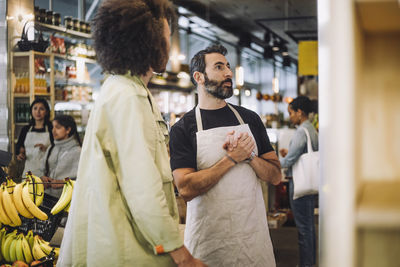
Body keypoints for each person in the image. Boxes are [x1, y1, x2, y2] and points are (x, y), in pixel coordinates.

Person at [57, 1, 205, 266]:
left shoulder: (127, 90)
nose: (170, 47)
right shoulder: (127, 96)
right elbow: (143, 189)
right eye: (166, 37)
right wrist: (183, 256)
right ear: (148, 40)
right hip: (129, 251)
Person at [169, 44, 282, 267]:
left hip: (252, 241)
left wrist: (250, 156)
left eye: (228, 67)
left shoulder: (249, 118)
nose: (228, 73)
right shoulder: (183, 128)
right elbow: (185, 189)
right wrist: (230, 159)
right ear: (199, 77)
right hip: (208, 245)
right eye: (219, 67)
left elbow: (276, 176)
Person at [279, 96, 318, 267]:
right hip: (311, 183)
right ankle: (309, 262)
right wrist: (290, 152)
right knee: (309, 229)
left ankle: (306, 264)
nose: (290, 117)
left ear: (299, 112)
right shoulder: (312, 130)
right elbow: (303, 154)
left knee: (304, 230)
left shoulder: (302, 131)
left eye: (291, 113)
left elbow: (290, 161)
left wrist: (270, 163)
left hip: (301, 186)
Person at [40, 115, 82, 197]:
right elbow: (42, 169)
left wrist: (64, 183)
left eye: (58, 127)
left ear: (68, 130)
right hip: (47, 197)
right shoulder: (51, 148)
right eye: (53, 127)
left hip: (68, 200)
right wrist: (42, 178)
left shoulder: (78, 152)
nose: (53, 131)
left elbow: (85, 181)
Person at [16, 98, 53, 177]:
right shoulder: (25, 129)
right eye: (35, 108)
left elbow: (57, 149)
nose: (38, 112)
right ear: (31, 111)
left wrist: (46, 149)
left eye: (41, 109)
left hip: (47, 172)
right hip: (29, 170)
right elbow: (19, 147)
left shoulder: (51, 128)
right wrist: (20, 154)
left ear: (46, 112)